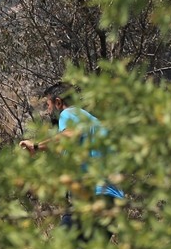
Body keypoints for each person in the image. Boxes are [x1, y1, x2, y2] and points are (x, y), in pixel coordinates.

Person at [19, 83, 125, 239]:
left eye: (48, 105)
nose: (48, 111)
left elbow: (71, 133)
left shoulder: (69, 113)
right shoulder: (93, 122)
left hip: (92, 198)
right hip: (112, 202)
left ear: (58, 102)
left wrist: (36, 146)